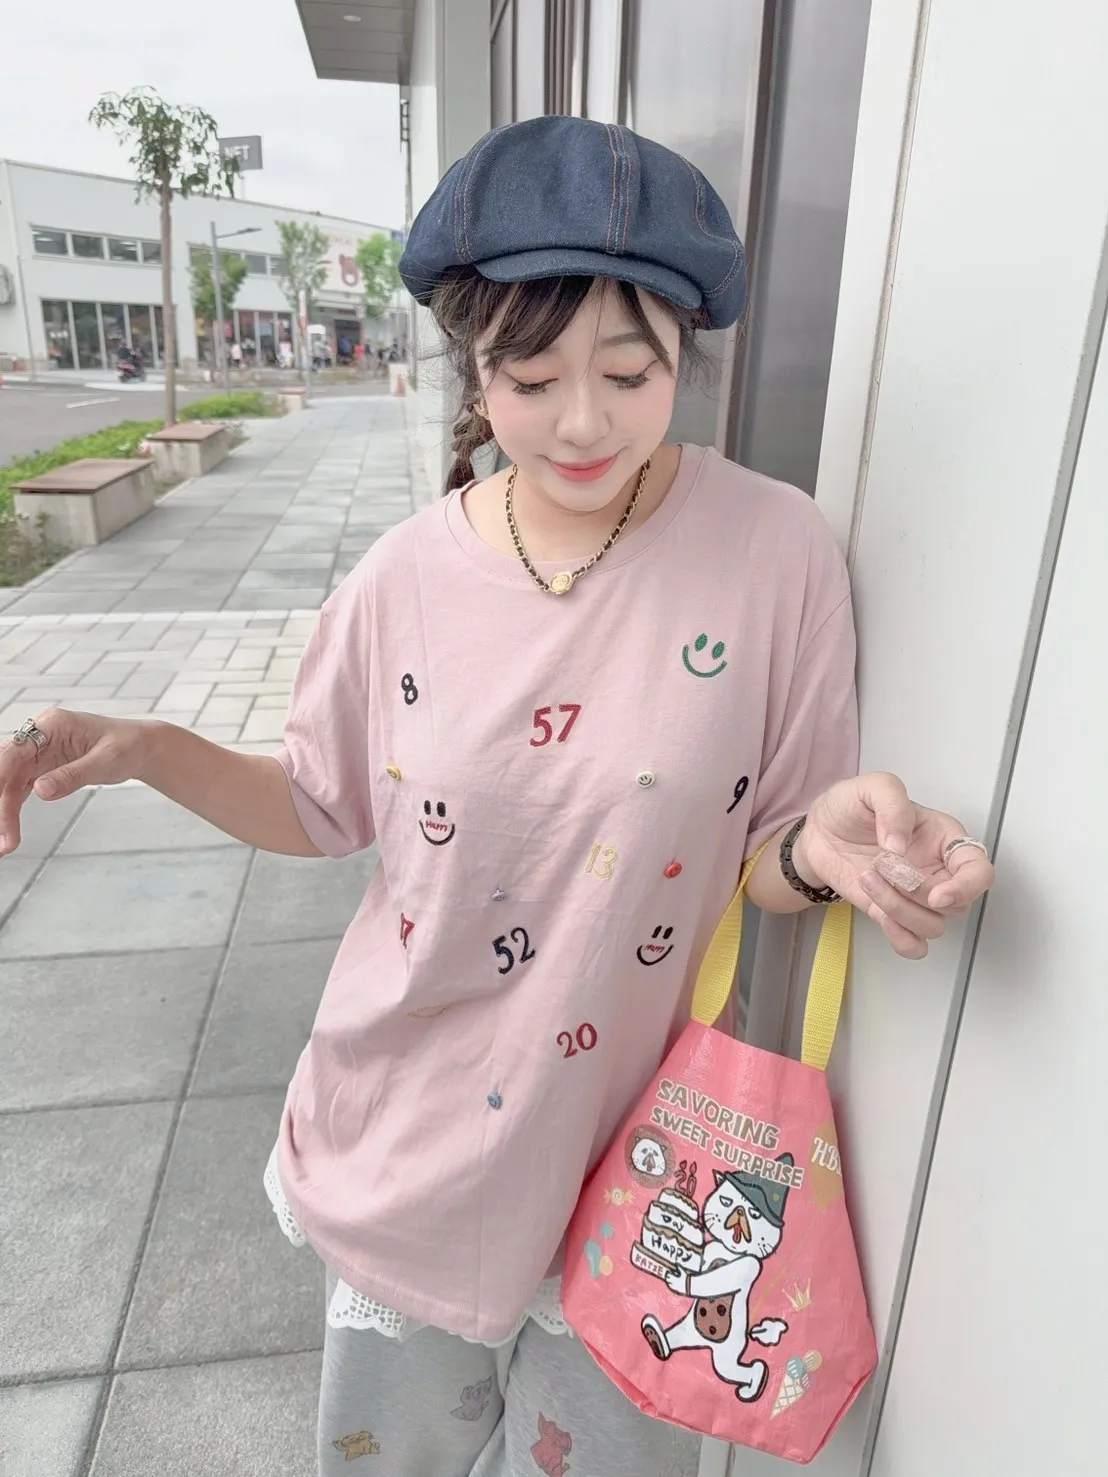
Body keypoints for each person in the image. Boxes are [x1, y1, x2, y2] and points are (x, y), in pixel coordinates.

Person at [0, 116, 994, 1475]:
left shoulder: (775, 552)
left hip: (641, 1169)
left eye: (629, 372)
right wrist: (146, 745)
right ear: (475, 365)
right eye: (531, 378)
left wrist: (824, 848)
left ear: (686, 352)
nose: (582, 422)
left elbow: (766, 846)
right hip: (412, 1147)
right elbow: (319, 807)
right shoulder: (403, 580)